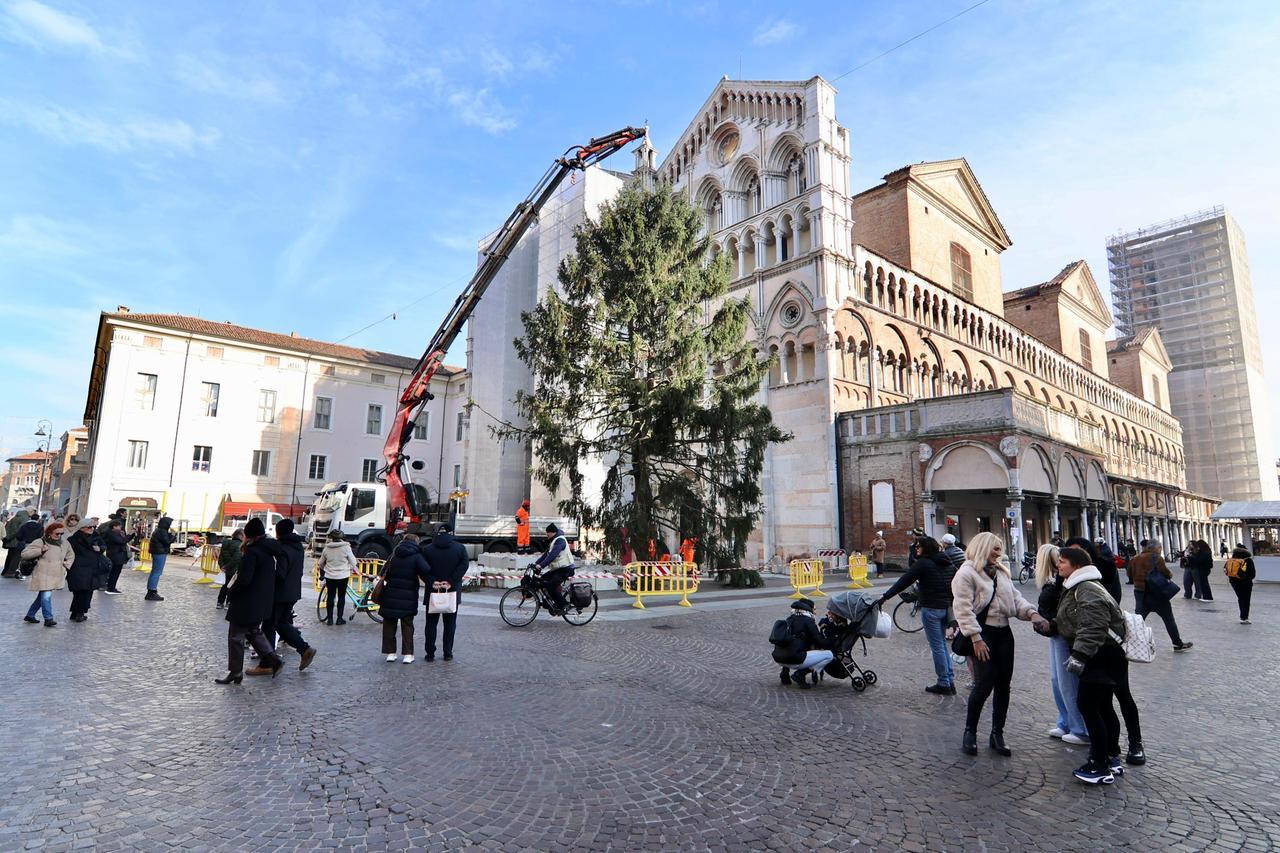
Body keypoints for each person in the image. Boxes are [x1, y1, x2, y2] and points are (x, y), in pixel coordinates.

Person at [952, 531, 1050, 757]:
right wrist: (975, 638)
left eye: (1000, 549)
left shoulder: (1001, 573)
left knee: (1004, 685)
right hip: (982, 633)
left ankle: (997, 733)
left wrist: (1033, 614)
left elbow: (1015, 599)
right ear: (982, 547)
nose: (999, 553)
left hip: (1004, 634)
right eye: (995, 548)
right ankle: (970, 731)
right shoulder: (966, 573)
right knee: (984, 685)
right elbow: (962, 609)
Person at [1049, 545, 1131, 785]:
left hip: (1101, 655)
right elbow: (1075, 618)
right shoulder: (1081, 587)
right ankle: (1110, 757)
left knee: (1089, 706)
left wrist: (1080, 656)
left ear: (1075, 565)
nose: (1058, 566)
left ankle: (1099, 763)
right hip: (1104, 653)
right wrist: (1052, 626)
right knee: (1103, 707)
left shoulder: (1086, 588)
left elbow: (1093, 625)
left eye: (1062, 562)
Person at [876, 536, 958, 694]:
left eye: (919, 546)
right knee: (941, 644)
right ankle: (949, 679)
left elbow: (903, 581)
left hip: (931, 608)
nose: (916, 548)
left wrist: (885, 597)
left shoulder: (923, 564)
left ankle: (944, 683)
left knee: (937, 646)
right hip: (945, 607)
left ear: (926, 548)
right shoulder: (947, 562)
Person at [216, 517, 283, 684]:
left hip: (246, 601)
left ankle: (235, 672)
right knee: (254, 632)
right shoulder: (268, 552)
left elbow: (245, 579)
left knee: (236, 636)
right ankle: (273, 660)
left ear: (249, 535)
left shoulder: (252, 552)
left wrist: (231, 592)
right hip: (260, 601)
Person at [1033, 543, 1089, 746]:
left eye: (1062, 562)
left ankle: (1080, 728)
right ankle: (1066, 721)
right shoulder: (1056, 583)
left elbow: (1065, 614)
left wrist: (1048, 623)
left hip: (1063, 635)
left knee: (1067, 682)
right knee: (1058, 681)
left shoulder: (1061, 584)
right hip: (1056, 635)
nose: (1059, 565)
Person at [248, 518, 317, 675]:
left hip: (279, 593)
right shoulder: (298, 546)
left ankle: (268, 663)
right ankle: (304, 649)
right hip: (292, 592)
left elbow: (280, 574)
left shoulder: (283, 548)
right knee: (281, 623)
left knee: (269, 626)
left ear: (278, 532)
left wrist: (265, 578)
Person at [1129, 541, 1192, 652]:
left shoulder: (1135, 558)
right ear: (1155, 548)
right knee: (1168, 619)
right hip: (1156, 593)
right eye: (1160, 548)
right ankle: (1177, 643)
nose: (1161, 550)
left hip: (1140, 592)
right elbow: (1166, 573)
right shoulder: (1157, 558)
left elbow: (1129, 574)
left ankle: (1131, 644)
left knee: (1138, 619)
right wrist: (1170, 575)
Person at [378, 534, 431, 663]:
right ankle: (408, 654)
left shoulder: (394, 555)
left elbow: (383, 572)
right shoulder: (417, 556)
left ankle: (390, 653)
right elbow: (426, 570)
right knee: (407, 625)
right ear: (416, 543)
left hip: (391, 594)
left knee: (389, 624)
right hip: (408, 595)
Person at [422, 524, 469, 661]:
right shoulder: (460, 548)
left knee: (431, 624)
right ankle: (447, 652)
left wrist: (432, 581)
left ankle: (430, 653)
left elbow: (423, 569)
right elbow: (464, 565)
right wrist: (451, 581)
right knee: (450, 624)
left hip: (433, 591)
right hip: (452, 591)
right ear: (451, 533)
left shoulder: (427, 549)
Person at [771, 598, 833, 689]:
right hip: (794, 660)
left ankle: (784, 672)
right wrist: (833, 639)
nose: (815, 613)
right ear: (808, 609)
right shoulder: (808, 621)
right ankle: (801, 674)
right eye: (814, 610)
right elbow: (820, 643)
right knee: (829, 655)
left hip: (778, 658)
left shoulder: (790, 618)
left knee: (792, 646)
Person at [21, 522, 69, 626]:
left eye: (62, 533)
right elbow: (25, 554)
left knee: (42, 596)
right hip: (43, 573)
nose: (60, 536)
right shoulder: (40, 541)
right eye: (57, 534)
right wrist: (40, 550)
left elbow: (71, 554)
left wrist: (67, 564)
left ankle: (30, 615)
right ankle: (48, 618)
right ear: (50, 532)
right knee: (46, 595)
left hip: (56, 574)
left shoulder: (64, 542)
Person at [316, 529, 357, 624]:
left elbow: (320, 563)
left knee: (330, 596)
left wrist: (325, 568)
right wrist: (349, 567)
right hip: (343, 576)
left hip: (330, 576)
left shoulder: (327, 548)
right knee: (341, 597)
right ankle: (339, 619)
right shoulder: (346, 548)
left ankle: (330, 620)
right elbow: (353, 562)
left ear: (332, 538)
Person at [65, 517, 103, 622]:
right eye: (89, 527)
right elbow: (67, 552)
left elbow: (103, 545)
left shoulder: (96, 537)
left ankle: (77, 612)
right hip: (77, 567)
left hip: (92, 568)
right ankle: (79, 613)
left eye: (93, 527)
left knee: (87, 591)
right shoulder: (72, 539)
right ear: (82, 528)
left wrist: (100, 549)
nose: (92, 529)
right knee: (80, 591)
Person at [532, 523, 575, 612]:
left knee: (551, 586)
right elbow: (545, 555)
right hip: (558, 568)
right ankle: (550, 602)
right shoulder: (554, 541)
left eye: (547, 533)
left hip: (566, 568)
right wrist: (535, 564)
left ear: (552, 532)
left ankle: (564, 605)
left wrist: (541, 566)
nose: (546, 535)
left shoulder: (560, 541)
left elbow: (552, 555)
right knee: (543, 579)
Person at [1224, 546, 1256, 624]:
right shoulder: (1248, 560)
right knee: (1246, 599)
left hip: (1234, 581)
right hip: (1246, 582)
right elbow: (1252, 574)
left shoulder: (1231, 560)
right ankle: (1244, 617)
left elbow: (1226, 570)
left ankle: (1243, 616)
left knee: (1240, 598)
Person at [146, 516, 174, 601]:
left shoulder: (159, 530)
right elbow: (167, 542)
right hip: (160, 552)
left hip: (157, 552)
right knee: (157, 572)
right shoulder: (162, 531)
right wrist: (173, 535)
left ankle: (151, 591)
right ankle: (152, 591)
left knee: (155, 571)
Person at [216, 530, 244, 609]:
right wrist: (228, 566)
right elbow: (236, 559)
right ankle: (228, 603)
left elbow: (220, 557)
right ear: (240, 536)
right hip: (234, 569)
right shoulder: (239, 545)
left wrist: (222, 566)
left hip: (225, 570)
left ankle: (220, 602)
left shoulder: (225, 544)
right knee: (231, 586)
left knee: (224, 586)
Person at [102, 519, 129, 594]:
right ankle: (111, 587)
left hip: (116, 554)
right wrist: (129, 535)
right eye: (119, 526)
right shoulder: (112, 534)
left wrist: (129, 535)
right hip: (116, 554)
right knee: (115, 571)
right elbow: (122, 541)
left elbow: (123, 540)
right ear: (114, 527)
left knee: (115, 571)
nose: (120, 528)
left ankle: (111, 587)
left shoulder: (115, 533)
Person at [3, 509, 30, 578]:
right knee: (16, 557)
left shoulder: (14, 518)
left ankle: (5, 571)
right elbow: (20, 530)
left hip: (10, 541)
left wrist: (8, 538)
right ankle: (11, 572)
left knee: (9, 556)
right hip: (17, 541)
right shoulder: (24, 519)